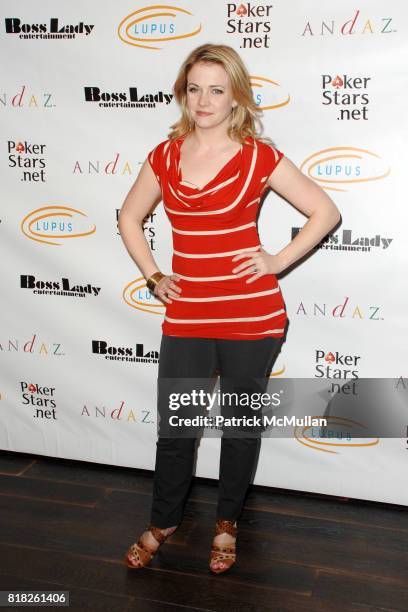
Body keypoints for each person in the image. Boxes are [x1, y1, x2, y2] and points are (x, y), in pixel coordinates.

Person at [118, 43, 340, 574]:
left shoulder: (258, 156)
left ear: (235, 95)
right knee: (177, 428)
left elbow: (324, 211)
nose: (204, 100)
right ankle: (163, 521)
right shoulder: (164, 156)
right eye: (194, 88)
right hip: (189, 313)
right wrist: (153, 276)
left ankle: (227, 523)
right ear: (182, 92)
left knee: (239, 426)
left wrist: (277, 260)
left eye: (216, 89)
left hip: (251, 316)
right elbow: (129, 217)